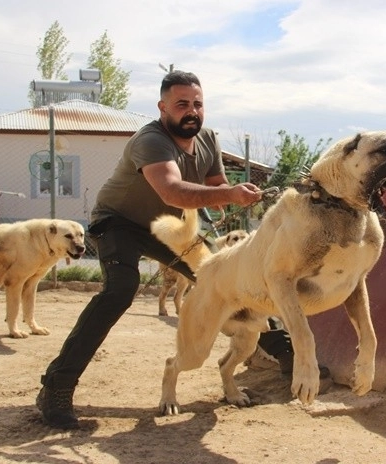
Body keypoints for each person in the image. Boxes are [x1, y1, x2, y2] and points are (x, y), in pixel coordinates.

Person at [36, 70, 292, 429]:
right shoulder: (150, 140)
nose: (192, 111)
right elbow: (173, 190)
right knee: (120, 289)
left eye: (198, 104)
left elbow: (215, 183)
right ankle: (57, 386)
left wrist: (235, 192)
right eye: (182, 104)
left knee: (229, 277)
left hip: (172, 229)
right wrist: (228, 195)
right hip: (120, 223)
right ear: (163, 107)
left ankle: (288, 355)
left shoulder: (208, 139)